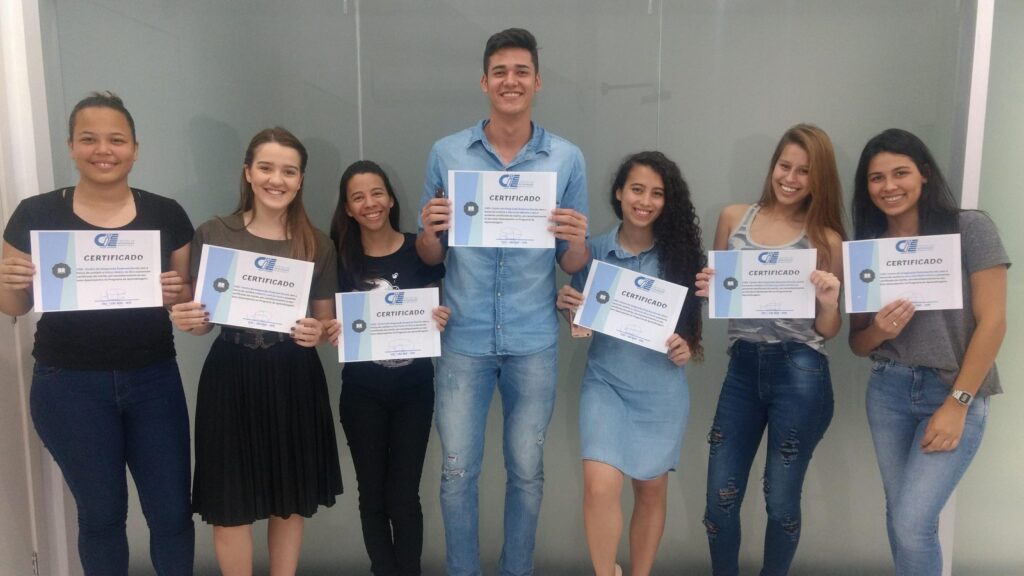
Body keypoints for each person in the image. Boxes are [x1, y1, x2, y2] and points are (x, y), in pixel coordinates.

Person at [416, 27, 590, 576]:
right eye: (500, 72)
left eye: (521, 71)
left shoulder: (566, 158)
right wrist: (429, 231)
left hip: (532, 338)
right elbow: (430, 255)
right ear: (484, 82)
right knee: (456, 472)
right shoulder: (447, 153)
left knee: (527, 472)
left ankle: (517, 570)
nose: (510, 81)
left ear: (537, 81)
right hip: (462, 338)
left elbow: (572, 261)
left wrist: (578, 239)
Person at [0, 92, 195, 575]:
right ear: (71, 146)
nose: (103, 150)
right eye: (89, 139)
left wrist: (177, 294)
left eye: (116, 140)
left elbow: (185, 303)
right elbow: (15, 306)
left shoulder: (167, 214)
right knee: (102, 516)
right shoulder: (35, 214)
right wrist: (8, 282)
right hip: (68, 385)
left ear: (135, 149)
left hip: (153, 380)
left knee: (172, 514)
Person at [170, 127, 342, 576]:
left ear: (300, 180)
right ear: (248, 172)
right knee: (229, 503)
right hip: (231, 374)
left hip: (293, 375)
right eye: (266, 168)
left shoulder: (317, 243)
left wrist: (316, 331)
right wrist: (187, 319)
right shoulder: (213, 233)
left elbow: (325, 323)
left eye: (289, 171)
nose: (276, 180)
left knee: (289, 499)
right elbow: (202, 321)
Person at [848, 129, 1009, 576]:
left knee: (911, 522)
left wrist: (957, 403)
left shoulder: (970, 228)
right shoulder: (868, 248)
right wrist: (878, 330)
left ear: (923, 174)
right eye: (876, 178)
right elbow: (858, 344)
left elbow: (994, 322)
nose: (889, 186)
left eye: (900, 173)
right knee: (901, 516)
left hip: (952, 390)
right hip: (888, 391)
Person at [695, 124, 845, 576]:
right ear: (773, 165)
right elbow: (719, 298)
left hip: (801, 370)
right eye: (785, 165)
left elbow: (828, 330)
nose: (791, 178)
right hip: (742, 367)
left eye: (804, 171)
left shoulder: (828, 240)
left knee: (780, 501)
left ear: (819, 179)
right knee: (719, 499)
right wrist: (708, 289)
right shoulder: (733, 218)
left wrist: (829, 302)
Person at [555, 151, 704, 576]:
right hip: (605, 384)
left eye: (657, 193)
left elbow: (689, 335)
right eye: (637, 189)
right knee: (600, 488)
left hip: (661, 390)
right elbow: (581, 327)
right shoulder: (592, 253)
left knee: (651, 490)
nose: (645, 201)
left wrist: (686, 347)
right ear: (619, 192)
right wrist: (568, 306)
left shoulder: (682, 256)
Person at [325, 160, 450, 576]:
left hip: (415, 391)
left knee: (404, 497)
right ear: (347, 208)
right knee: (372, 497)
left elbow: (437, 302)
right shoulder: (339, 258)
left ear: (391, 199)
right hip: (362, 394)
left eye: (377, 193)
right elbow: (326, 318)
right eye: (358, 197)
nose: (370, 203)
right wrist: (331, 328)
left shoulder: (420, 250)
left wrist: (440, 318)